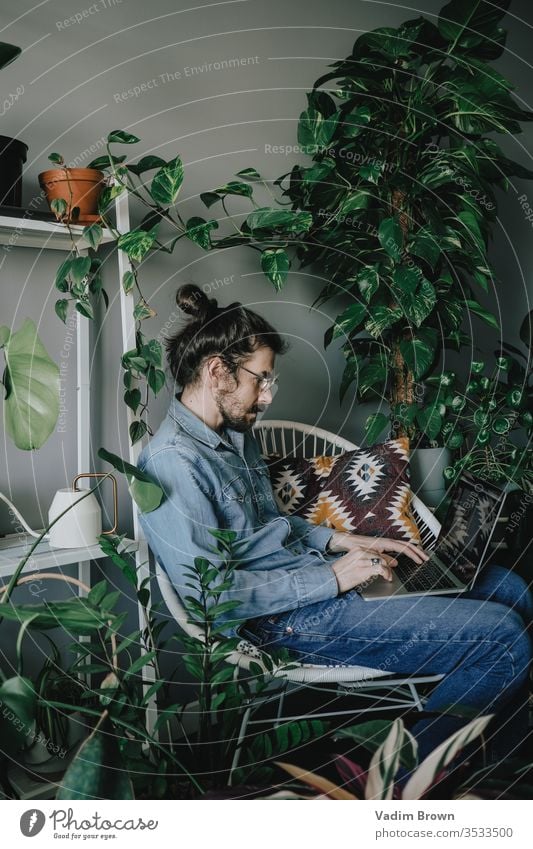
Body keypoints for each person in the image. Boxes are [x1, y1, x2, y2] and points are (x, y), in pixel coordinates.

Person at [138, 283, 532, 768]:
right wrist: (334, 577)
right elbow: (209, 597)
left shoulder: (236, 436)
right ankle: (402, 780)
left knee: (512, 591)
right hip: (285, 621)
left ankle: (480, 761)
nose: (265, 397)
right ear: (217, 371)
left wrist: (352, 539)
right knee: (505, 640)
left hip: (321, 579)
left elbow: (270, 527)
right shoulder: (172, 462)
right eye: (260, 380)